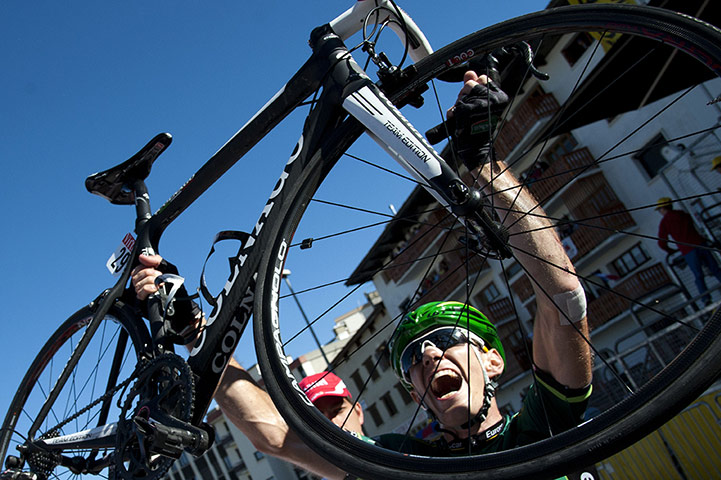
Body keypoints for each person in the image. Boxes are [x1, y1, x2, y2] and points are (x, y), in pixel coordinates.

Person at [130, 72, 593, 479]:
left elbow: (563, 297)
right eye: (413, 354)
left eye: (449, 336)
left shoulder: (542, 425)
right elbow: (276, 439)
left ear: (494, 361)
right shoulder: (400, 463)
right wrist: (196, 334)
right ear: (416, 395)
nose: (429, 351)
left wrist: (483, 163)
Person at [656, 196, 721, 305]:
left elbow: (661, 243)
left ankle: (706, 300)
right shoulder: (683, 214)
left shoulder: (665, 222)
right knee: (715, 268)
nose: (660, 212)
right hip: (701, 244)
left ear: (663, 209)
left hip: (688, 250)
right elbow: (693, 225)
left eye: (659, 209)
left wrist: (670, 251)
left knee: (698, 275)